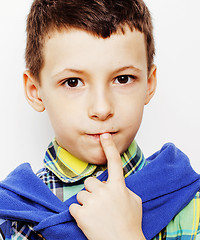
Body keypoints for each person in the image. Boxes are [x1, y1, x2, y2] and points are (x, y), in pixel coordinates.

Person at [0, 0, 200, 239]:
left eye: (123, 79)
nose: (102, 108)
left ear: (149, 83)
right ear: (35, 90)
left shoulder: (189, 201)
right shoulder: (11, 215)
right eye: (73, 82)